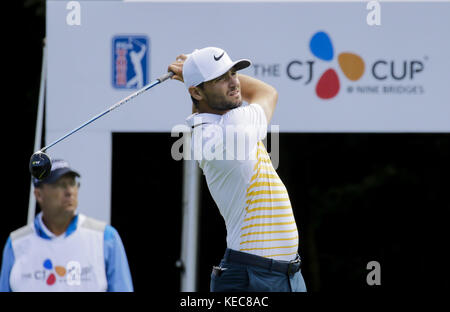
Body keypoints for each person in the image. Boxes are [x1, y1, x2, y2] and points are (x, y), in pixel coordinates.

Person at [168, 47, 307, 292]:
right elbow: (267, 92)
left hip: (281, 275)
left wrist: (194, 76)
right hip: (254, 278)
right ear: (196, 91)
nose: (233, 82)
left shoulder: (205, 126)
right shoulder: (235, 127)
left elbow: (206, 105)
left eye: (233, 73)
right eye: (220, 78)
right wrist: (189, 72)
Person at [0, 159, 133, 292]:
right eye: (60, 184)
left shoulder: (105, 237)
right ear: (39, 195)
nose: (70, 191)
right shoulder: (16, 243)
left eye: (72, 183)